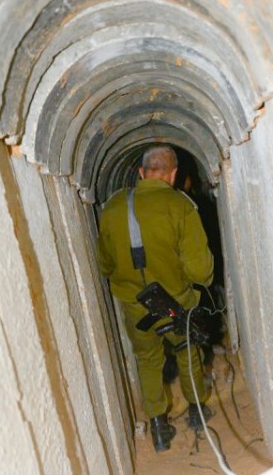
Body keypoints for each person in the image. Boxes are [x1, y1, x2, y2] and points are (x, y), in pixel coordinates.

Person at [97, 145, 215, 452]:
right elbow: (200, 268)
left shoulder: (112, 207)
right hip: (177, 302)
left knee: (148, 360)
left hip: (135, 304)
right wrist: (205, 284)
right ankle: (197, 414)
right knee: (187, 351)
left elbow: (105, 263)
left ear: (140, 173)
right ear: (173, 175)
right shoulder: (181, 207)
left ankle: (159, 428)